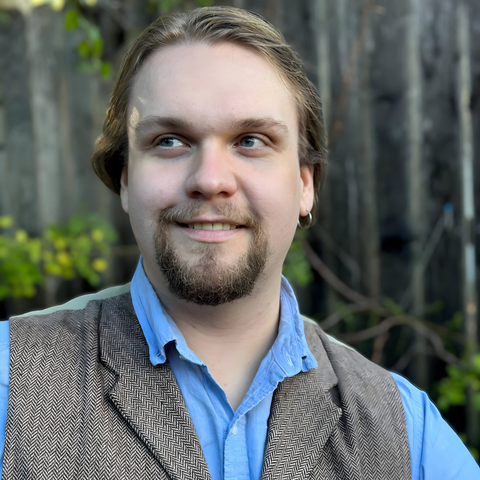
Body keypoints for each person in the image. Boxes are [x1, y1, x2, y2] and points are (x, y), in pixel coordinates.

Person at [1, 6, 478, 480]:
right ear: (125, 180)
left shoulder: (409, 435)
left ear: (305, 184)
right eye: (169, 141)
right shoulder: (11, 384)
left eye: (251, 140)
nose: (210, 180)